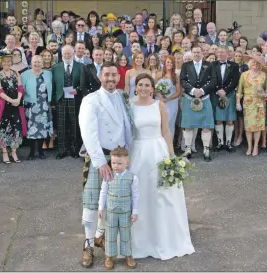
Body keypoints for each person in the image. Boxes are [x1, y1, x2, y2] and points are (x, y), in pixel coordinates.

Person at [129, 73, 195, 260]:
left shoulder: (160, 105)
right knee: (141, 194)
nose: (143, 88)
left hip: (158, 151)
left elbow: (166, 131)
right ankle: (141, 239)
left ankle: (166, 236)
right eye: (140, 85)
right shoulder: (131, 106)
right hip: (139, 152)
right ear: (136, 87)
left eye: (147, 85)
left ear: (152, 88)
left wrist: (172, 156)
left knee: (162, 194)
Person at [78, 62, 133, 268]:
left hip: (120, 157)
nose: (110, 79)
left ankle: (100, 236)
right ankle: (88, 245)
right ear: (100, 77)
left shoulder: (122, 97)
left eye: (113, 75)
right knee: (92, 202)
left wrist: (129, 156)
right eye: (106, 75)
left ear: (118, 78)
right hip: (99, 157)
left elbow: (128, 126)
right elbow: (88, 133)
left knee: (113, 202)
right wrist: (100, 162)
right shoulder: (91, 100)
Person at [98, 147, 139, 270]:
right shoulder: (108, 176)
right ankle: (109, 256)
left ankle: (128, 255)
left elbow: (136, 196)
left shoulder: (133, 178)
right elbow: (103, 192)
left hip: (126, 211)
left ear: (127, 163)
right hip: (111, 211)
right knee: (110, 233)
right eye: (113, 163)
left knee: (125, 233)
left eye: (119, 163)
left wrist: (135, 212)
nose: (116, 166)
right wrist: (100, 208)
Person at [179, 46, 216, 161]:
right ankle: (188, 149)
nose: (196, 54)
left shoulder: (209, 65)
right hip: (189, 98)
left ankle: (206, 150)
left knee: (206, 126)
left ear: (202, 54)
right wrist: (193, 91)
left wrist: (203, 90)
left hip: (204, 98)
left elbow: (213, 80)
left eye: (198, 52)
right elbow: (182, 80)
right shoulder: (186, 65)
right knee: (188, 125)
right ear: (192, 54)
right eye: (194, 52)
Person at [0, 51, 27, 163]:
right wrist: (11, 100)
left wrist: (18, 99)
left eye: (8, 61)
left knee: (16, 128)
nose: (6, 63)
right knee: (4, 128)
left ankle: (14, 152)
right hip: (4, 104)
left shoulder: (16, 73)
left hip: (16, 104)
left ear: (11, 62)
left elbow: (20, 88)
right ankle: (5, 152)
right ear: (1, 63)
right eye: (4, 61)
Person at [51, 45, 83, 159]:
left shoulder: (81, 67)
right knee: (61, 126)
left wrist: (78, 90)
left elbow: (83, 84)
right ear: (62, 55)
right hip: (61, 99)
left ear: (73, 53)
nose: (67, 55)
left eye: (69, 53)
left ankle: (75, 149)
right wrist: (53, 101)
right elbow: (53, 85)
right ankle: (62, 150)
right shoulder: (55, 68)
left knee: (75, 125)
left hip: (75, 99)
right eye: (65, 54)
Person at [21, 55, 54, 159]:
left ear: (42, 63)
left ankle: (40, 151)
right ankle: (31, 152)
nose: (37, 64)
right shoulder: (25, 74)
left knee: (42, 129)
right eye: (35, 62)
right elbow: (21, 90)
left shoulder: (48, 74)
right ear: (31, 63)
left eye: (39, 62)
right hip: (31, 106)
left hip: (44, 105)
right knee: (31, 130)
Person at [236, 55, 267, 156]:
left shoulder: (264, 75)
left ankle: (255, 147)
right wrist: (238, 102)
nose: (255, 64)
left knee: (258, 127)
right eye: (253, 62)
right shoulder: (244, 75)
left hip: (259, 103)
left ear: (260, 65)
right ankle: (249, 146)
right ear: (249, 64)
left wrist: (263, 93)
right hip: (247, 103)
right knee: (248, 127)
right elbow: (239, 90)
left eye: (257, 63)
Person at [211, 46, 240, 152]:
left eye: (223, 52)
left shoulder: (234, 65)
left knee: (229, 119)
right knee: (218, 119)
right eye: (218, 52)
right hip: (216, 94)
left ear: (228, 54)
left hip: (230, 94)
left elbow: (235, 80)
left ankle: (228, 143)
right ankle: (220, 143)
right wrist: (218, 90)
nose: (220, 54)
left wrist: (225, 91)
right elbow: (211, 79)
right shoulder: (212, 65)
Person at [158, 55, 182, 138]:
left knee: (169, 123)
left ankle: (169, 147)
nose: (169, 64)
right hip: (161, 102)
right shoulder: (160, 75)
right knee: (161, 123)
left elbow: (178, 91)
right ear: (165, 63)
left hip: (172, 102)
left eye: (171, 62)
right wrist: (160, 97)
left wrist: (168, 99)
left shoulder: (176, 76)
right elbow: (155, 88)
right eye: (168, 62)